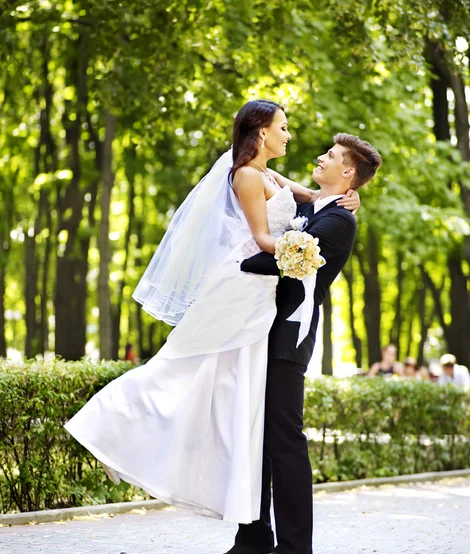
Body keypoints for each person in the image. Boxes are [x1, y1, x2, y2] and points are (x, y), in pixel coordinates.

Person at [64, 100, 360, 526]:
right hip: (244, 284)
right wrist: (304, 249)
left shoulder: (264, 173)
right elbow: (261, 239)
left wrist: (343, 200)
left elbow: (312, 197)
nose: (289, 135)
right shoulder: (243, 174)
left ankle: (246, 522)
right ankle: (112, 428)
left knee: (229, 398)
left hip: (263, 297)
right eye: (283, 127)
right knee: (187, 369)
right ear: (261, 133)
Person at [209, 133, 382, 554]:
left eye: (331, 156)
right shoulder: (315, 208)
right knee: (257, 432)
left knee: (285, 437)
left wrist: (239, 264)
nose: (320, 157)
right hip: (264, 326)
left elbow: (288, 260)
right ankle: (253, 534)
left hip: (291, 333)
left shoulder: (339, 222)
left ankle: (295, 549)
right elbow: (274, 187)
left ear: (347, 173)